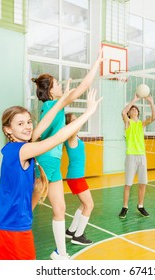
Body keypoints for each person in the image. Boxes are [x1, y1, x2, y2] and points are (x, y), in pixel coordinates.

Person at [0, 89, 102, 260]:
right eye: (20, 124)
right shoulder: (23, 150)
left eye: (28, 122)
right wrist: (88, 113)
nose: (27, 127)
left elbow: (45, 123)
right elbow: (58, 137)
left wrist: (60, 101)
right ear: (8, 130)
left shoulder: (15, 147)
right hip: (12, 227)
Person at [31, 50, 103, 260]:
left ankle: (60, 253)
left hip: (53, 162)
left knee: (60, 208)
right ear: (51, 91)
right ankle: (11, 235)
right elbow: (83, 87)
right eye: (57, 84)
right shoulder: (54, 104)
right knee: (30, 206)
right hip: (45, 161)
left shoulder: (52, 105)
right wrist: (97, 62)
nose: (61, 86)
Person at [118, 94, 155, 219]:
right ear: (129, 114)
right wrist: (133, 100)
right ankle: (125, 207)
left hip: (142, 156)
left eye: (135, 109)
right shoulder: (128, 123)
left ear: (138, 113)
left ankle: (140, 206)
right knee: (128, 184)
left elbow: (154, 117)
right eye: (132, 109)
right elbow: (123, 112)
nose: (134, 110)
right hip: (131, 156)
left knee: (142, 183)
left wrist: (151, 102)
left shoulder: (141, 124)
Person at [64, 112, 94, 246]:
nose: (77, 122)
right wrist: (89, 110)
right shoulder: (70, 136)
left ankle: (71, 231)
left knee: (83, 204)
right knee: (89, 205)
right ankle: (78, 235)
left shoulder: (74, 137)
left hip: (76, 176)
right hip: (76, 177)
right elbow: (75, 127)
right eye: (74, 120)